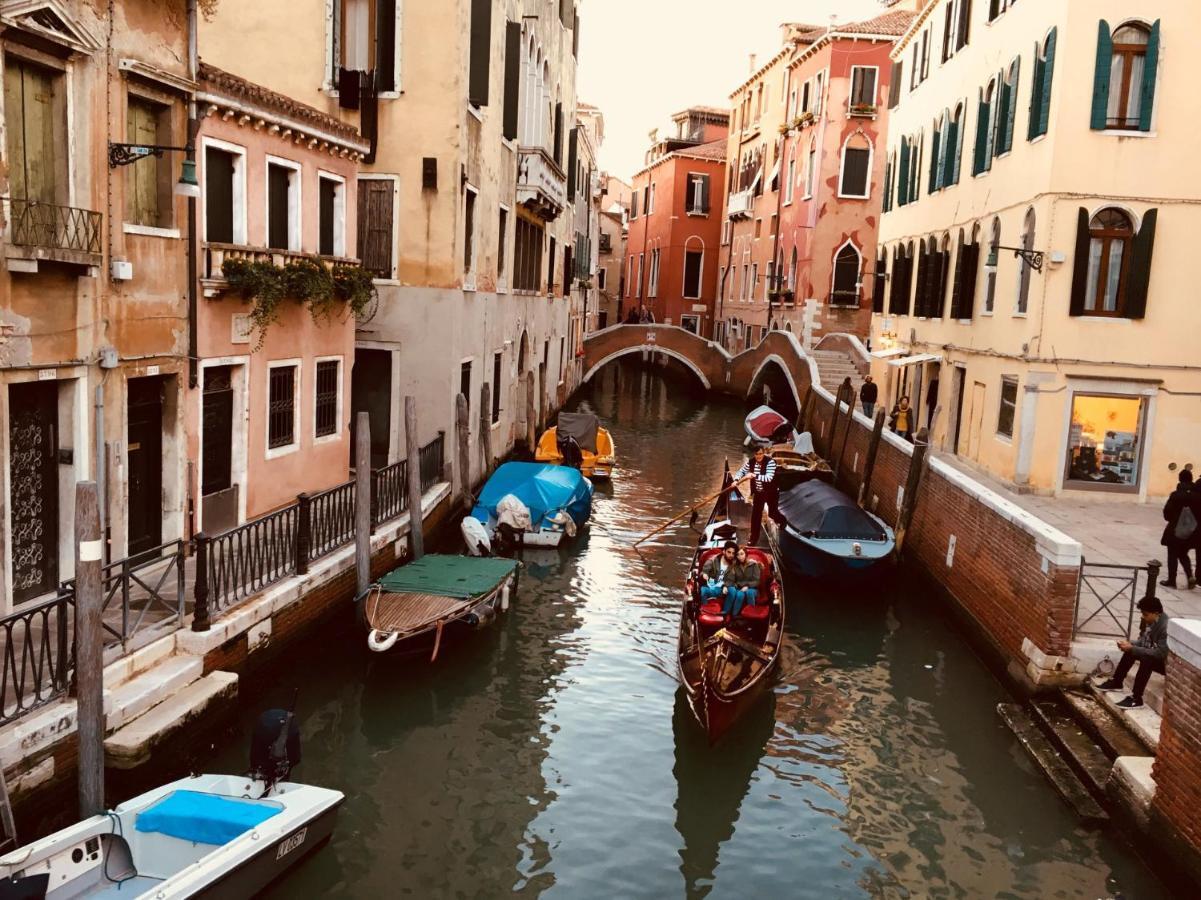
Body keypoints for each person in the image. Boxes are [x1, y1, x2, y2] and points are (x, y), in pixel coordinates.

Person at [1095, 596, 1172, 709]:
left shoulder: (1165, 628)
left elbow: (1160, 653)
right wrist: (1129, 644)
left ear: (1155, 613)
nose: (1142, 617)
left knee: (1147, 659)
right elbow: (1142, 642)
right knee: (1131, 651)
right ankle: (1117, 682)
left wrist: (1132, 648)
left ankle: (1137, 698)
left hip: (1166, 664)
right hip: (1159, 657)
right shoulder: (1154, 621)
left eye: (1145, 614)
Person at [735, 446, 784, 545]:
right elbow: (742, 471)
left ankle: (783, 521)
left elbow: (768, 478)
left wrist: (754, 475)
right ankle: (753, 539)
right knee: (755, 516)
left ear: (764, 453)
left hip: (771, 493)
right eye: (757, 454)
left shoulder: (770, 462)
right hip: (759, 493)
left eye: (760, 454)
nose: (758, 456)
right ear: (754, 454)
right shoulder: (751, 462)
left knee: (772, 514)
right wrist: (736, 480)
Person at [1160, 469, 1198, 589]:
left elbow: (1167, 512)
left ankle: (1172, 580)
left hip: (1175, 529)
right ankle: (1190, 576)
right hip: (1191, 531)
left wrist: (1173, 519)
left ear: (1180, 479)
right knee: (1183, 554)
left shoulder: (1176, 495)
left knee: (1172, 554)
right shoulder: (1197, 496)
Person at [721, 547, 761, 618]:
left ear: (746, 554)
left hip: (753, 589)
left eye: (742, 554)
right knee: (739, 594)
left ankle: (751, 615)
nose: (740, 557)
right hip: (740, 589)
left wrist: (747, 586)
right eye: (738, 555)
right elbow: (731, 579)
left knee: (749, 592)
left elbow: (757, 581)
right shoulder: (735, 566)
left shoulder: (753, 565)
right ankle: (734, 616)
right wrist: (725, 586)